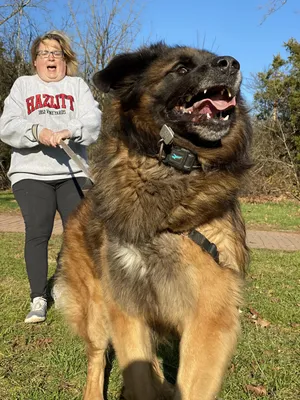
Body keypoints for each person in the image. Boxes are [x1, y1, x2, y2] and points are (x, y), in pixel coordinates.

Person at [0, 30, 101, 323]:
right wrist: (37, 132)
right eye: (44, 53)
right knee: (38, 230)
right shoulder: (23, 86)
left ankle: (60, 282)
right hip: (31, 172)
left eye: (56, 53)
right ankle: (38, 297)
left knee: (76, 234)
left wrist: (69, 130)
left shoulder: (77, 86)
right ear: (35, 62)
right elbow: (7, 125)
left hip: (72, 171)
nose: (50, 58)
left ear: (65, 59)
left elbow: (93, 121)